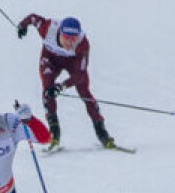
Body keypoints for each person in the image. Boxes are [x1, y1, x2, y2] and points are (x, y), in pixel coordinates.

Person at [17, 13, 113, 150]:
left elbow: (80, 74)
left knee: (84, 91)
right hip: (50, 59)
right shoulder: (47, 28)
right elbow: (33, 18)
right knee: (47, 89)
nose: (69, 42)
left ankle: (102, 133)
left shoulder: (82, 44)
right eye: (66, 38)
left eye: (73, 39)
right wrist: (22, 25)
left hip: (73, 62)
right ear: (59, 33)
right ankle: (54, 135)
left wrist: (61, 87)